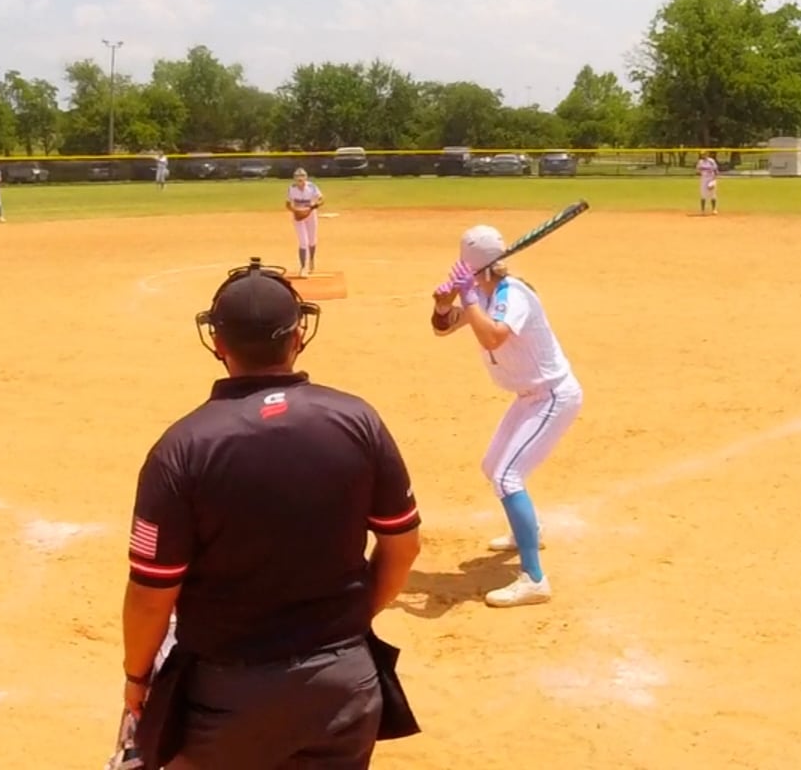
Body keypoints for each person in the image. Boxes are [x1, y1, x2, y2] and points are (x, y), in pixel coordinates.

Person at [119, 259, 423, 769]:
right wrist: (347, 628)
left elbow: (152, 598)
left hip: (228, 696)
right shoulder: (358, 420)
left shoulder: (181, 449)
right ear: (298, 336)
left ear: (219, 343)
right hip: (345, 685)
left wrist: (136, 677)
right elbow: (403, 546)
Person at [430, 225, 583, 608]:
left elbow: (493, 336)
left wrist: (468, 297)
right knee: (492, 466)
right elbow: (443, 329)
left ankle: (534, 579)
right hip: (530, 397)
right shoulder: (484, 293)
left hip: (552, 396)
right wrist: (444, 305)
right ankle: (527, 531)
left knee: (506, 476)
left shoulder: (512, 294)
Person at [287, 168, 324, 275]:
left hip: (311, 215)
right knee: (303, 242)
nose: (300, 181)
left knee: (312, 240)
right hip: (298, 217)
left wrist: (312, 207)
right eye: (298, 178)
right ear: (295, 179)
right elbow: (288, 204)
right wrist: (295, 211)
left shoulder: (312, 187)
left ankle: (311, 260)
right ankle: (303, 267)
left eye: (302, 178)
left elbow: (321, 199)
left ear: (306, 178)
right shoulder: (292, 188)